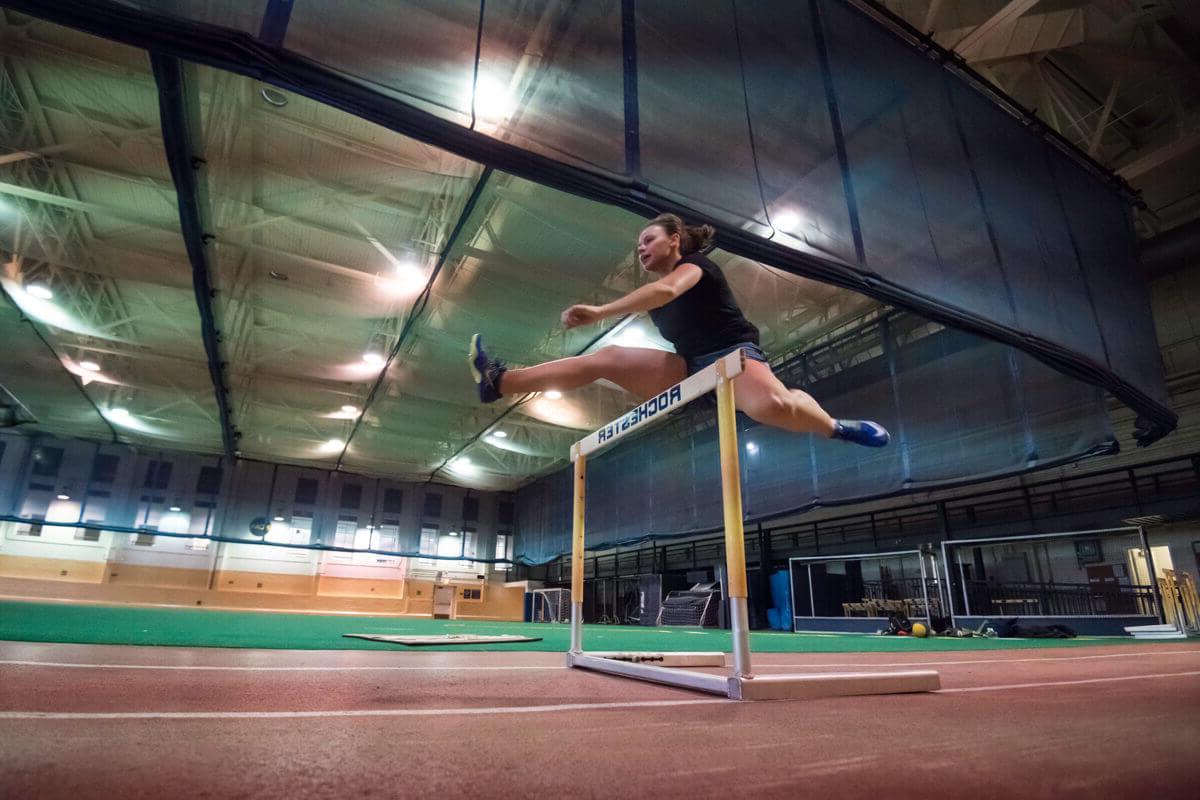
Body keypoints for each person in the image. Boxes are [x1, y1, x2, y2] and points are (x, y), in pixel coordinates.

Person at [468, 213, 889, 447]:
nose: (642, 249)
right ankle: (499, 381)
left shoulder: (696, 267)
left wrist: (600, 312)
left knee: (772, 406)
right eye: (638, 247)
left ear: (674, 239)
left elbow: (667, 290)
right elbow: (660, 298)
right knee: (607, 358)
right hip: (690, 368)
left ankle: (834, 426)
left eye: (649, 240)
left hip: (734, 355)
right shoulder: (660, 290)